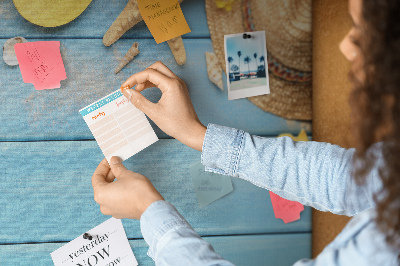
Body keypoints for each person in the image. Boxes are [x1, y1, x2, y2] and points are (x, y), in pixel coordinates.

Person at [91, 0, 400, 264]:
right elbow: (343, 178)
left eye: (364, 33)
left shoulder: (384, 248)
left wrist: (149, 211)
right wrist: (196, 134)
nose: (345, 47)